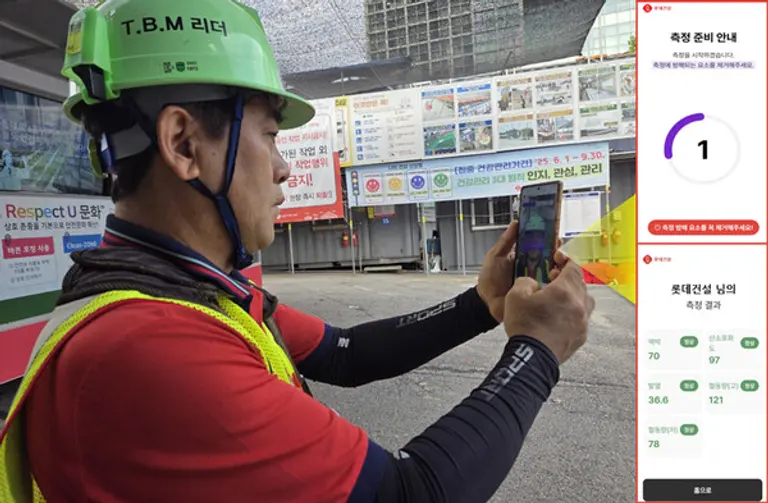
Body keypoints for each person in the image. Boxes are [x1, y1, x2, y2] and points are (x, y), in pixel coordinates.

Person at [0, 1, 594, 502]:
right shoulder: (147, 348)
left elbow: (347, 353)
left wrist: (480, 304)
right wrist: (537, 351)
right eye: (269, 135)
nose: (285, 168)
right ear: (184, 143)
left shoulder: (183, 292)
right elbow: (411, 492)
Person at [514, 213, 552, 283]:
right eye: (531, 237)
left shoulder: (548, 266)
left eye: (538, 237)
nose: (534, 242)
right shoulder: (517, 265)